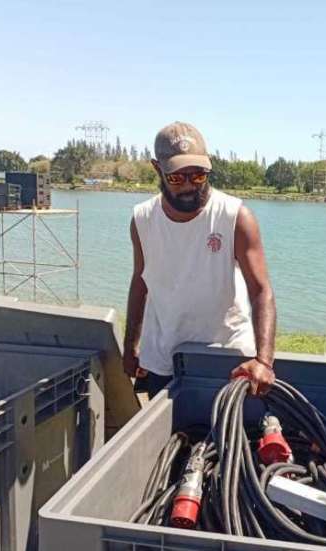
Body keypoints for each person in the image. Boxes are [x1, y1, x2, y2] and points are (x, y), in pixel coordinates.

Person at [123, 121, 276, 398]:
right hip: (163, 356)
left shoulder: (235, 217)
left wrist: (263, 361)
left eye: (198, 176)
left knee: (227, 436)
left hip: (226, 355)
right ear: (157, 169)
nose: (189, 186)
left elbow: (261, 290)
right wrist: (130, 346)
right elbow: (140, 282)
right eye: (177, 178)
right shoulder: (142, 220)